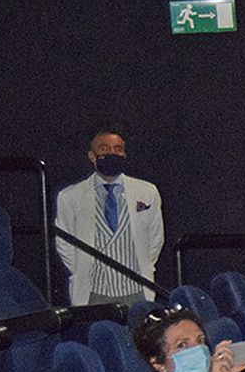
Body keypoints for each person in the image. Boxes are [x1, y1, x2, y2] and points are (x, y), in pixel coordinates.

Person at [54, 123, 165, 306]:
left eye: (118, 149)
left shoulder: (147, 191)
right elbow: (63, 243)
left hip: (137, 291)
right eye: (104, 149)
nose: (112, 153)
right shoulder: (69, 196)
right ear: (92, 155)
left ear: (124, 154)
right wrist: (80, 270)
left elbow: (155, 238)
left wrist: (145, 265)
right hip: (94, 293)